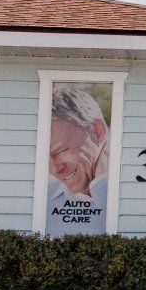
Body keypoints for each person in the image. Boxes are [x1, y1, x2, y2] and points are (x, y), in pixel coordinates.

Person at [46, 84, 110, 235]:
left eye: (61, 150)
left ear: (98, 131)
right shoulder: (44, 196)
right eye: (45, 157)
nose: (54, 170)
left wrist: (101, 183)